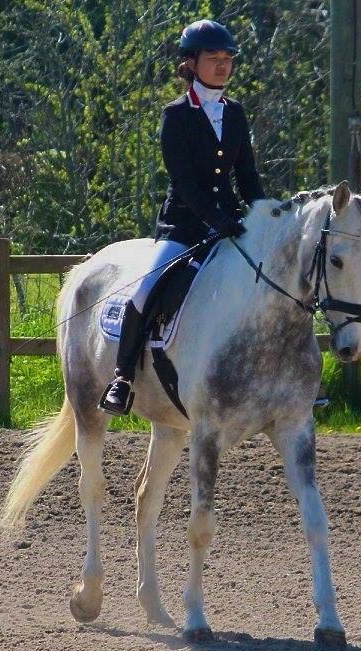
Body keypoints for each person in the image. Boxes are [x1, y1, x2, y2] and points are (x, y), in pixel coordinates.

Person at [99, 19, 266, 416]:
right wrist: (216, 219)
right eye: (214, 59)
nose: (223, 66)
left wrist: (265, 219)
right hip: (184, 226)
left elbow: (248, 178)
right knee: (144, 292)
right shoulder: (176, 115)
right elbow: (185, 183)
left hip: (230, 226)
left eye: (228, 59)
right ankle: (122, 377)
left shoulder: (236, 113)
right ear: (191, 63)